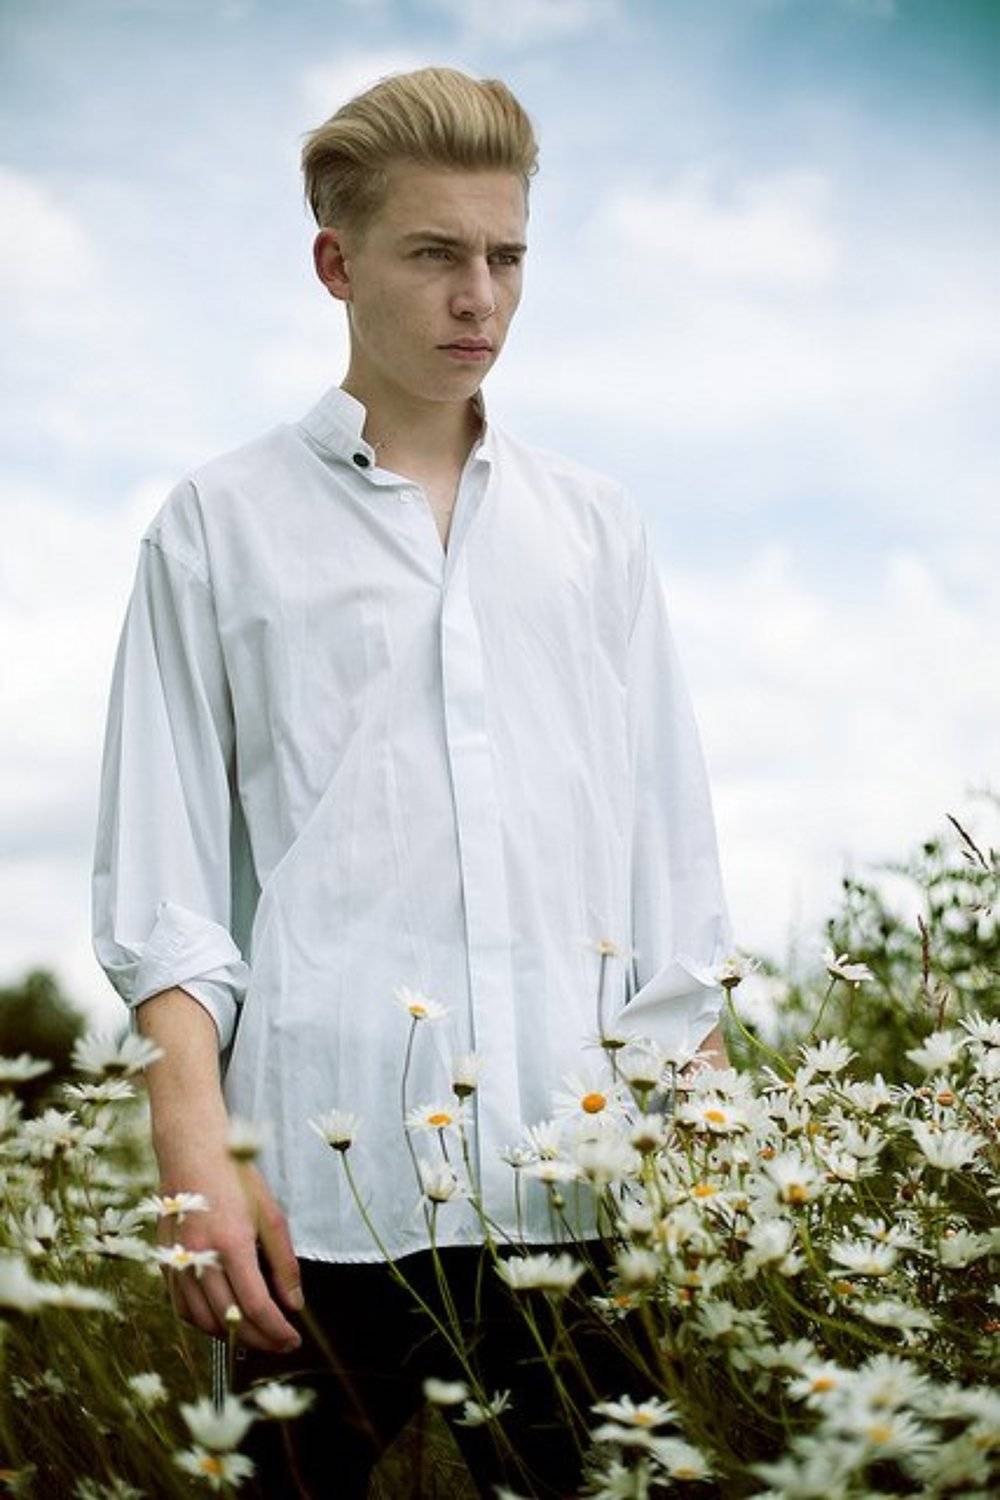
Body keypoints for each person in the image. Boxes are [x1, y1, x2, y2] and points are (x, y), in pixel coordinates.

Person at [90, 65, 734, 1498]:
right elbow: (166, 877)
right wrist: (195, 1140)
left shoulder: (597, 531)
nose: (480, 299)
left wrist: (698, 1156)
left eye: (506, 256)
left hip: (584, 1188)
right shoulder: (215, 527)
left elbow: (669, 863)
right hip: (314, 1203)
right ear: (337, 262)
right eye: (436, 254)